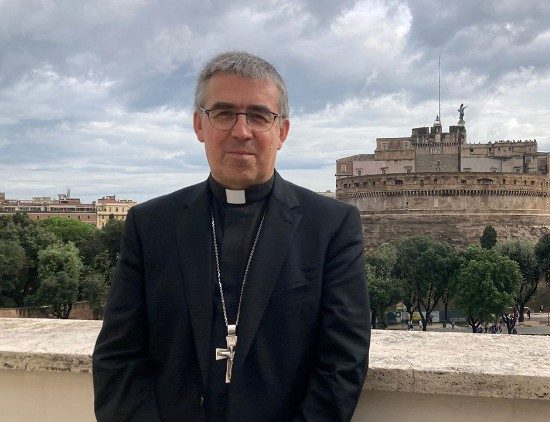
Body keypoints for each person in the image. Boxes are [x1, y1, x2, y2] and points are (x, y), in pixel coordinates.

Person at [92, 52, 371, 421]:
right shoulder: (150, 224)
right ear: (199, 125)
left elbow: (343, 360)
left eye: (258, 115)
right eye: (224, 113)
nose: (242, 131)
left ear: (282, 131)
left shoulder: (331, 226)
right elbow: (118, 357)